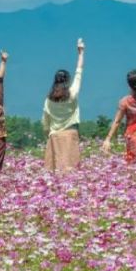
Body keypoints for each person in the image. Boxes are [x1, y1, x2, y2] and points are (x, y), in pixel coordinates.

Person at [42, 38, 85, 171]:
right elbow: (79, 71)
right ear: (67, 81)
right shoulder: (72, 94)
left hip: (54, 137)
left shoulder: (48, 100)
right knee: (71, 172)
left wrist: (47, 134)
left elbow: (45, 122)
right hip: (70, 134)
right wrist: (81, 52)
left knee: (56, 173)